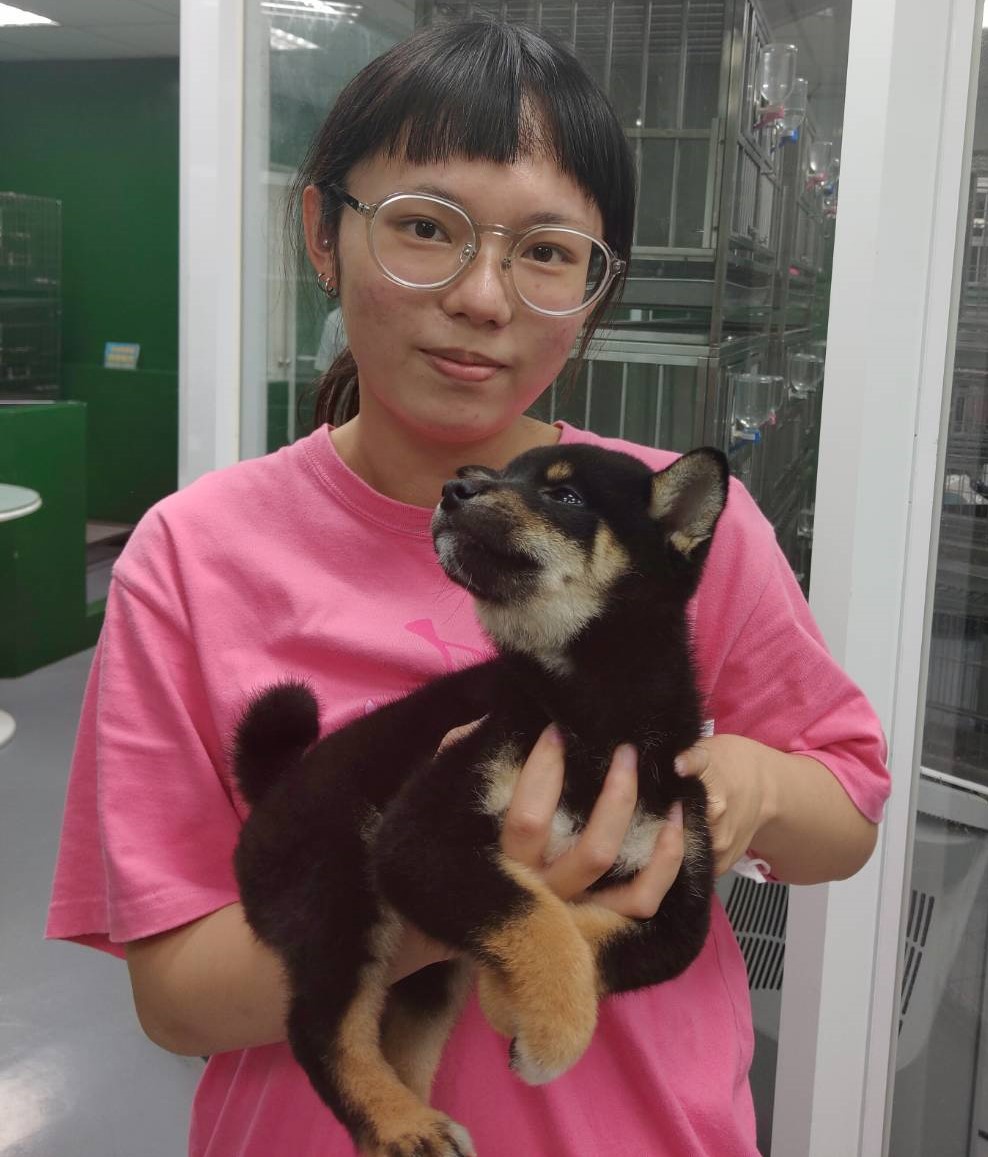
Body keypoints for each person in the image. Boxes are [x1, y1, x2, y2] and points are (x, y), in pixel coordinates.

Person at [46, 19, 890, 1157]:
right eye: (424, 227)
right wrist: (465, 896)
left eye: (546, 251)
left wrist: (755, 781)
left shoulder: (673, 532)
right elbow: (176, 1001)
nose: (483, 296)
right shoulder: (191, 556)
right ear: (323, 233)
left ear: (595, 288)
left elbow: (847, 813)